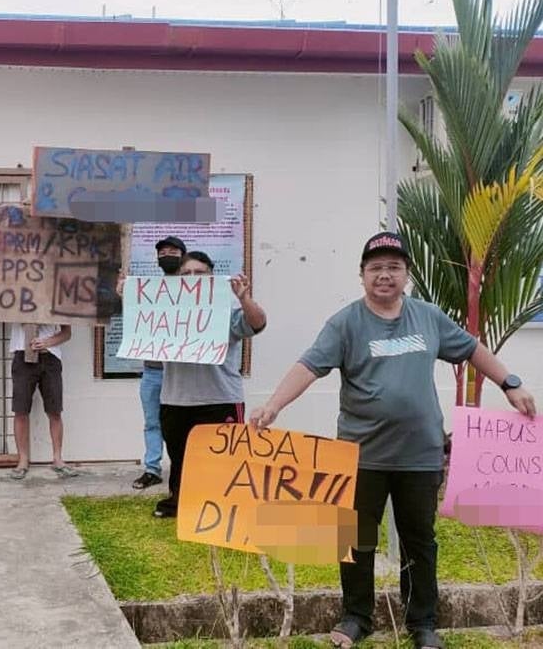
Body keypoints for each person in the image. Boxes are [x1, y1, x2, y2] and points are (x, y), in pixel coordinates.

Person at [249, 231, 537, 649]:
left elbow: (473, 349)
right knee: (356, 538)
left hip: (419, 455)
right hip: (360, 455)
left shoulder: (428, 317)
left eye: (393, 267)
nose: (384, 275)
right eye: (375, 267)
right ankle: (356, 617)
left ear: (406, 275)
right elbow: (309, 366)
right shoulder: (346, 322)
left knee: (420, 540)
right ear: (362, 275)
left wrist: (511, 383)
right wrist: (273, 405)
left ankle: (422, 623)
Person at [155, 250, 266, 518]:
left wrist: (245, 299)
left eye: (199, 273)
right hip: (176, 398)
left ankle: (225, 507)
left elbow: (257, 324)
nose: (192, 278)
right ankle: (180, 501)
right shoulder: (164, 307)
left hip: (220, 398)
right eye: (186, 274)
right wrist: (131, 300)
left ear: (212, 276)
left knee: (223, 458)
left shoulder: (228, 305)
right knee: (179, 456)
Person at [117, 235, 187, 490]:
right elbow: (136, 316)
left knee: (181, 424)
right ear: (157, 258)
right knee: (152, 422)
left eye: (172, 250)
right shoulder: (148, 289)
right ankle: (153, 469)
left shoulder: (194, 290)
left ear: (183, 255)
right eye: (162, 251)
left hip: (182, 373)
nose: (167, 254)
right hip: (153, 371)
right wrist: (126, 294)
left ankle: (184, 469)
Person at [8, 323, 74, 480]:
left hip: (50, 357)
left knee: (55, 410)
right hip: (22, 354)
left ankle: (57, 458)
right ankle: (23, 460)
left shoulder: (59, 299)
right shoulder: (17, 300)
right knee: (20, 410)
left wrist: (48, 342)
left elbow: (67, 333)